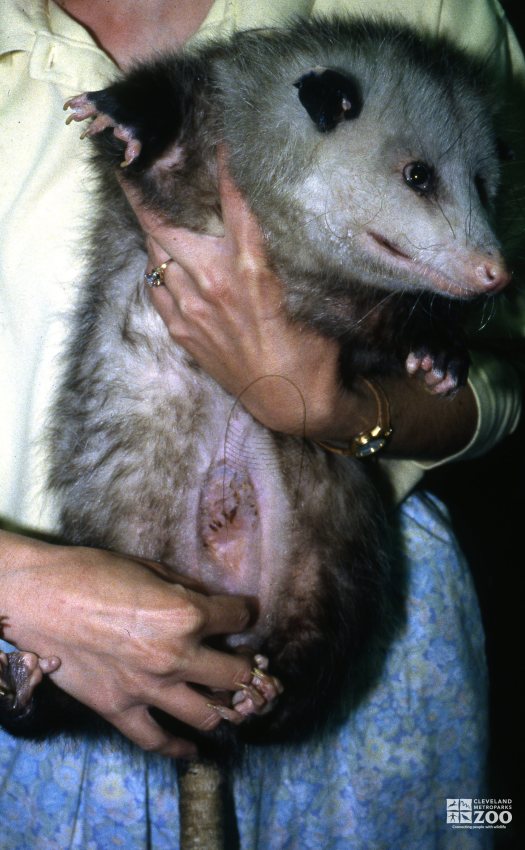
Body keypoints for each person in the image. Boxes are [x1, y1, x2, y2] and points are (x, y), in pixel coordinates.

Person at [0, 0, 523, 847]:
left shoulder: (417, 14)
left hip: (360, 642)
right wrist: (15, 588)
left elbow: (507, 367)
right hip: (51, 633)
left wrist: (346, 407)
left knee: (456, 817)